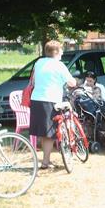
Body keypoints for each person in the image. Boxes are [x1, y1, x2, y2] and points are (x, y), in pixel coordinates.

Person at [30, 40, 77, 169]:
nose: (62, 52)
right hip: (50, 100)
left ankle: (46, 160)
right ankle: (45, 162)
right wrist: (74, 81)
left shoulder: (39, 63)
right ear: (56, 52)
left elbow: (33, 81)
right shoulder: (59, 65)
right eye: (61, 50)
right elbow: (72, 83)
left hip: (36, 100)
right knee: (50, 133)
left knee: (43, 132)